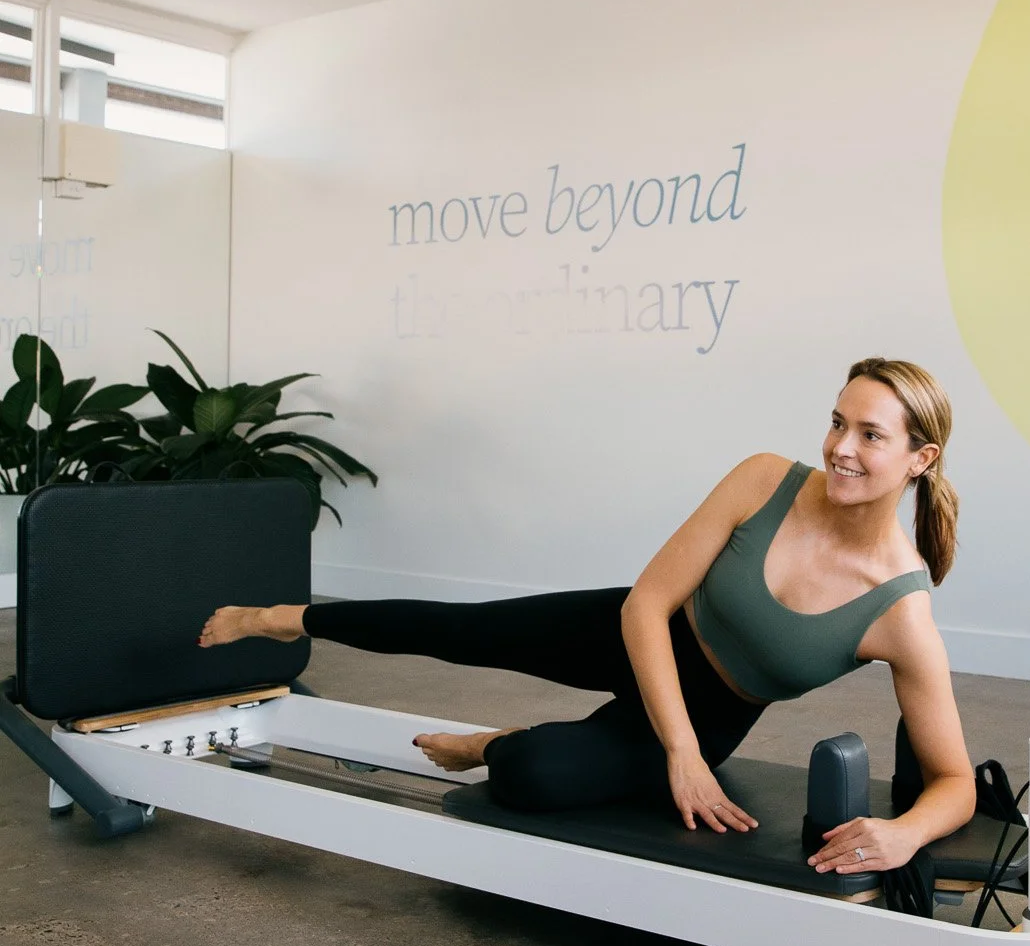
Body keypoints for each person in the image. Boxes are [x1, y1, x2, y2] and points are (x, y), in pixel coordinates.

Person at [199, 357, 976, 878]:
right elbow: (647, 602)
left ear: (920, 459)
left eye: (870, 435)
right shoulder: (765, 479)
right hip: (639, 634)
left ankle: (491, 743)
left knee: (530, 775)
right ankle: (278, 619)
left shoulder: (900, 615)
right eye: (837, 422)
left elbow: (952, 782)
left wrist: (904, 833)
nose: (840, 447)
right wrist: (678, 752)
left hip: (717, 708)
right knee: (458, 629)